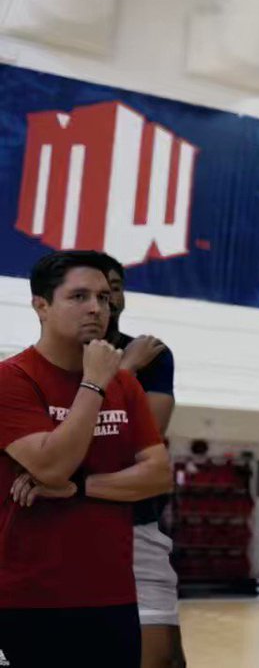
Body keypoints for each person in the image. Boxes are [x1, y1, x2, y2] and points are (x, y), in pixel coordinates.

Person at [0, 250, 174, 666]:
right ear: (41, 306)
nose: (97, 308)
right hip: (28, 598)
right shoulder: (12, 379)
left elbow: (157, 475)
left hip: (111, 595)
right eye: (79, 297)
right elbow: (52, 465)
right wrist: (94, 381)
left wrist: (79, 487)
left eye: (102, 297)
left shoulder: (127, 386)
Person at [97, 252, 187, 668]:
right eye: (86, 292)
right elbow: (60, 450)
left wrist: (125, 369)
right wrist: (126, 372)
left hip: (135, 524)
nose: (104, 300)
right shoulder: (41, 364)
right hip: (59, 528)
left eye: (113, 288)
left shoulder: (152, 353)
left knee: (165, 659)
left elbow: (137, 440)